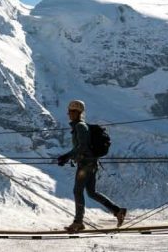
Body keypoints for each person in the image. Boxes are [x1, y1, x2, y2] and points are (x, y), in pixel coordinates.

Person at [53, 99, 126, 231]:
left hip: (85, 164)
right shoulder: (80, 126)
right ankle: (117, 210)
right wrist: (68, 157)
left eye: (70, 111)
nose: (68, 114)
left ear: (76, 112)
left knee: (77, 191)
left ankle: (78, 222)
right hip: (90, 163)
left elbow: (82, 147)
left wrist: (66, 156)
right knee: (91, 193)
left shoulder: (80, 127)